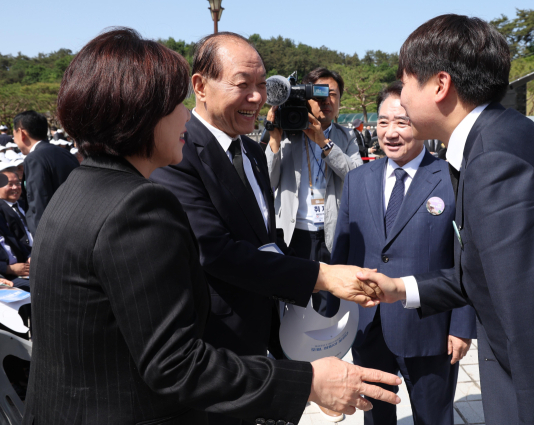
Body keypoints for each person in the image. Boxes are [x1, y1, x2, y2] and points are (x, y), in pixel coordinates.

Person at [23, 28, 401, 425]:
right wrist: (307, 382)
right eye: (174, 104)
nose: (184, 115)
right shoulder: (135, 204)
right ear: (138, 114)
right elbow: (174, 362)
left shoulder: (79, 189)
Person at [358, 14, 534, 425]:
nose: (400, 98)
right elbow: (493, 271)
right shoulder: (501, 137)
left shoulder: (495, 164)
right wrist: (401, 288)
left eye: (406, 83)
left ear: (439, 85)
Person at [149, 32, 396, 425]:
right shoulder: (177, 153)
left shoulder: (248, 150)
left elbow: (265, 239)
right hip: (215, 353)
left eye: (263, 86)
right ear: (200, 85)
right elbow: (215, 251)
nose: (257, 97)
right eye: (243, 85)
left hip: (266, 342)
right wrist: (321, 276)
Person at [332, 81, 476, 425]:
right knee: (375, 416)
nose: (390, 133)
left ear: (422, 124)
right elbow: (343, 250)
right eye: (383, 122)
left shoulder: (451, 178)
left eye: (402, 122)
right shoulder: (358, 179)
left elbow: (467, 259)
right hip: (369, 326)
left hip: (430, 328)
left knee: (433, 416)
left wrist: (462, 325)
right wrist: (331, 316)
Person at [265, 67, 362, 421]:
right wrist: (274, 138)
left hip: (330, 233)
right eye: (320, 95)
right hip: (294, 233)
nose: (327, 102)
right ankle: (292, 380)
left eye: (333, 95)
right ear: (306, 98)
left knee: (327, 308)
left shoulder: (347, 136)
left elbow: (356, 177)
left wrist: (323, 141)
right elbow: (267, 181)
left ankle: (327, 385)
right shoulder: (288, 134)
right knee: (289, 306)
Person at [13, 110, 79, 233]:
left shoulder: (34, 158)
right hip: (77, 224)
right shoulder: (66, 153)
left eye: (14, 135)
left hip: (53, 233)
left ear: (22, 133)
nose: (14, 140)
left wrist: (41, 238)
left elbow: (39, 202)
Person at [0, 166, 32, 248]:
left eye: (17, 183)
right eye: (10, 184)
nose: (15, 187)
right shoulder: (2, 210)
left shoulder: (25, 204)